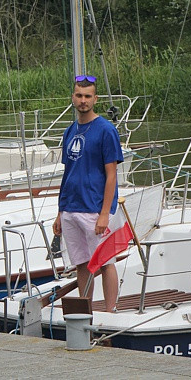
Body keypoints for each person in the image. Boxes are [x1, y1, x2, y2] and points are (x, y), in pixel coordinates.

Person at [52, 75, 124, 312]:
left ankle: (111, 311)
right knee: (81, 263)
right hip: (71, 208)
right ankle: (85, 312)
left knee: (105, 262)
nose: (83, 100)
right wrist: (60, 212)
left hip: (94, 209)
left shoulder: (106, 130)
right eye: (79, 95)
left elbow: (111, 175)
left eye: (87, 96)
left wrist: (104, 214)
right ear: (73, 97)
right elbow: (68, 172)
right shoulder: (70, 131)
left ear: (95, 99)